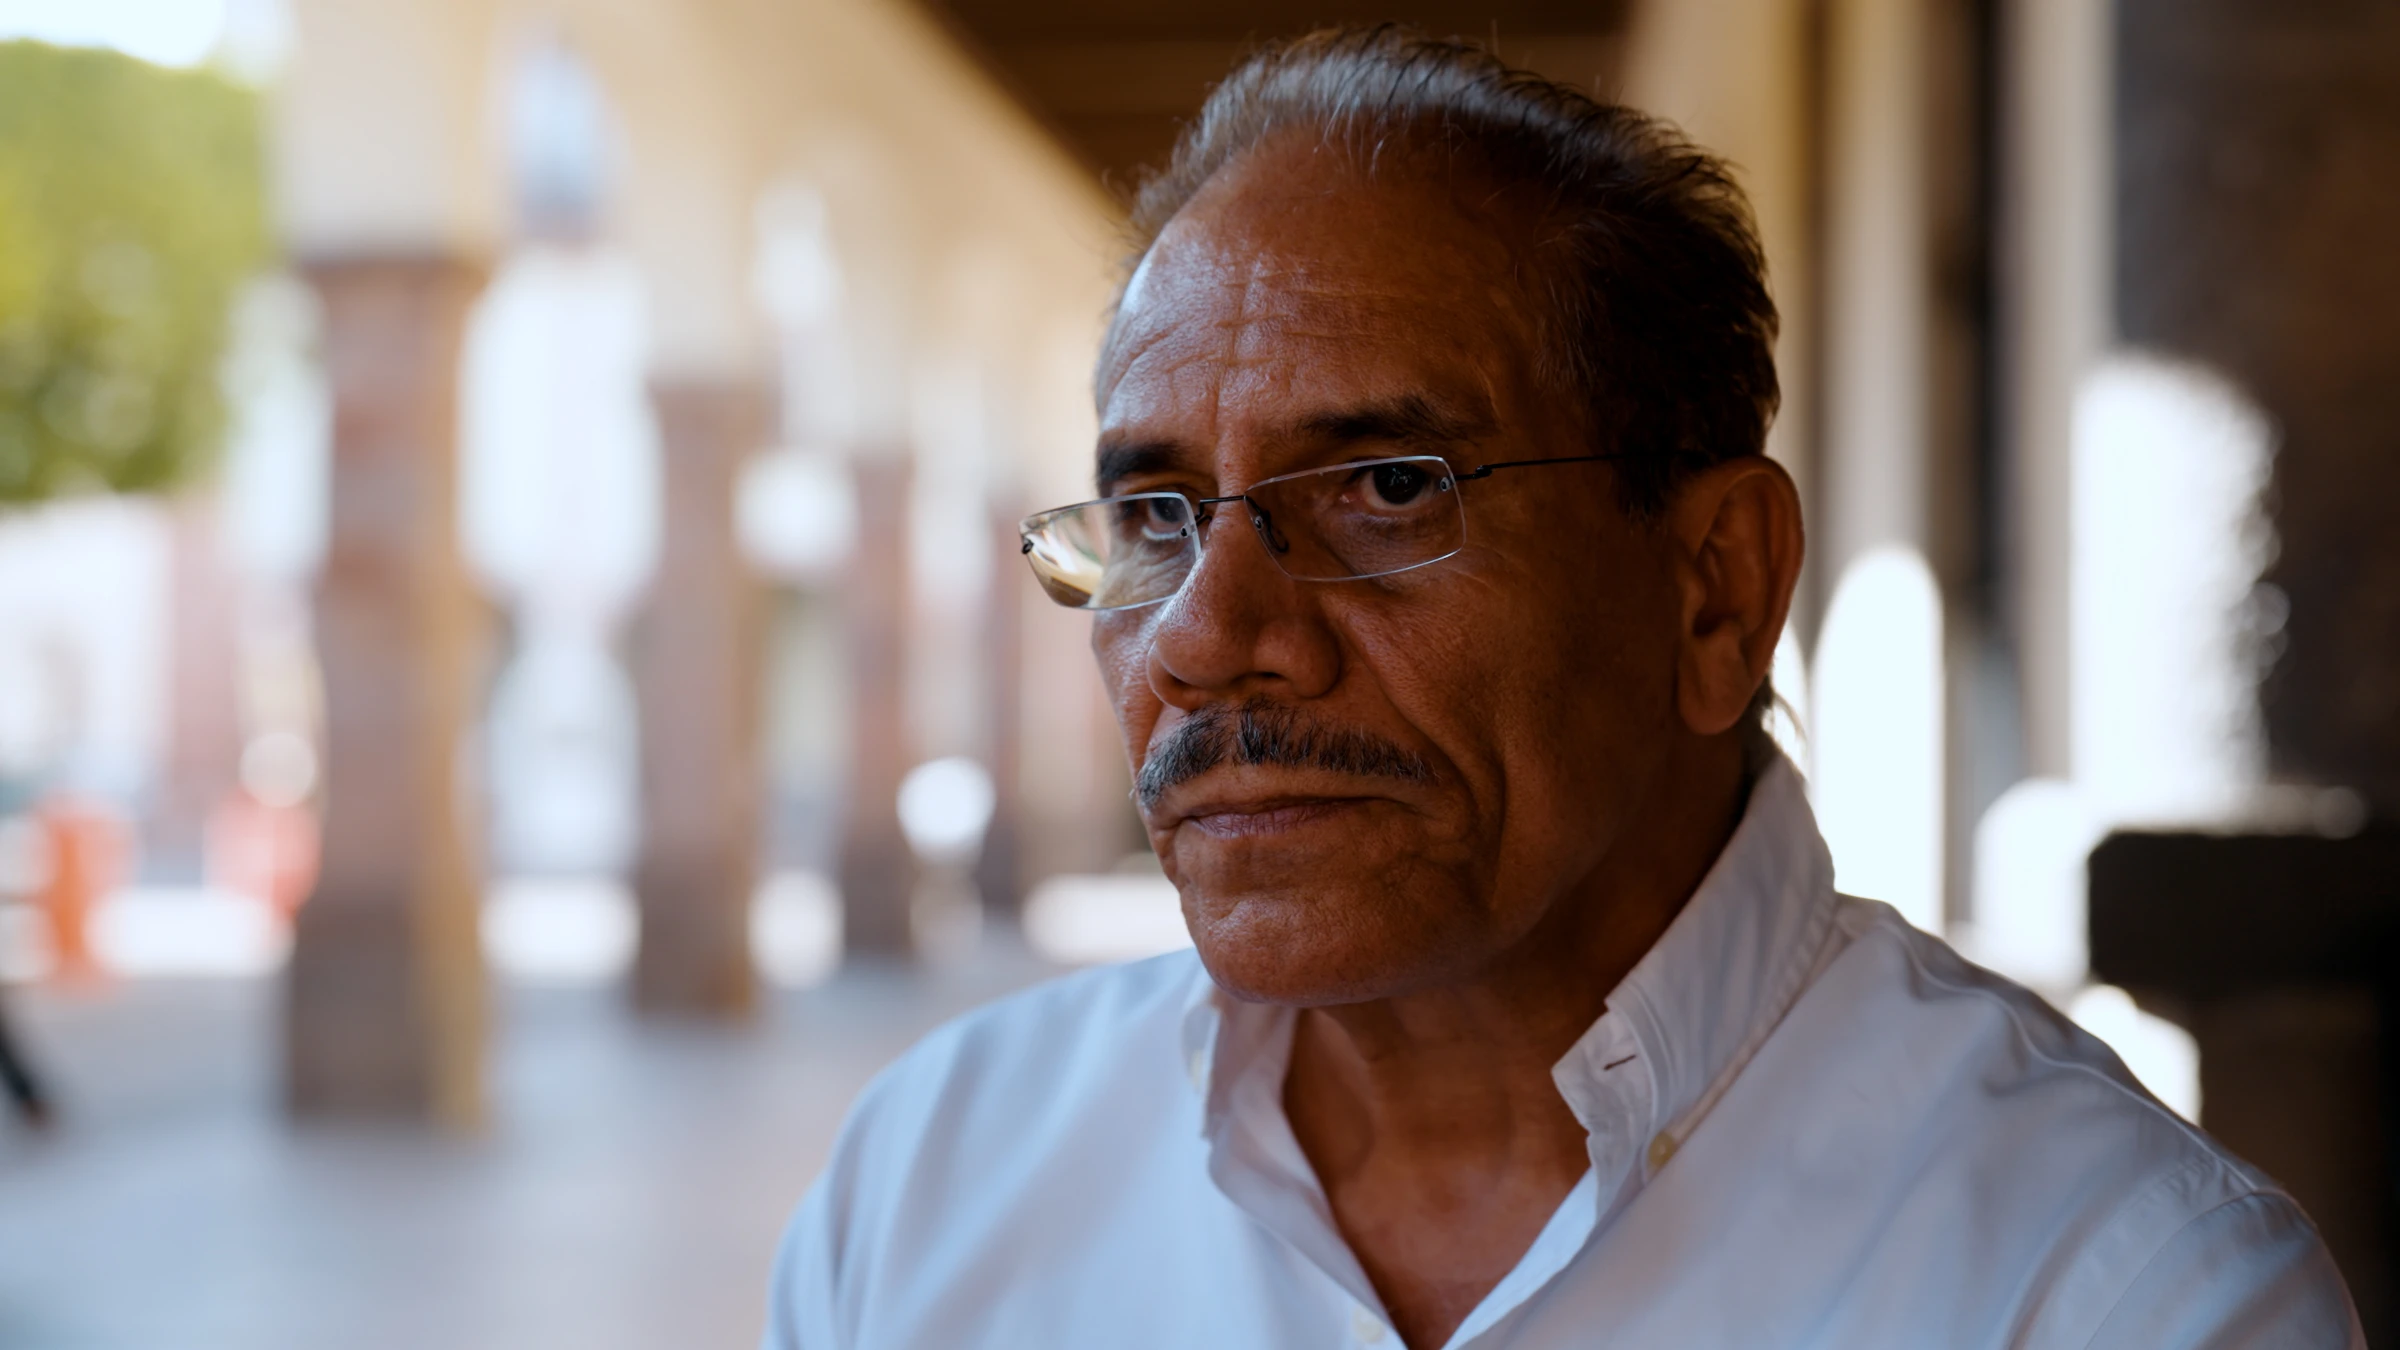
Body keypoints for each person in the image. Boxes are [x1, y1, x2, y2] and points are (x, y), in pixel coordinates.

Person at [763, 27, 2362, 1349]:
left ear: (1714, 585)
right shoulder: (927, 1189)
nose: (1204, 632)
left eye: (1387, 487)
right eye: (1155, 516)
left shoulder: (2118, 1294)